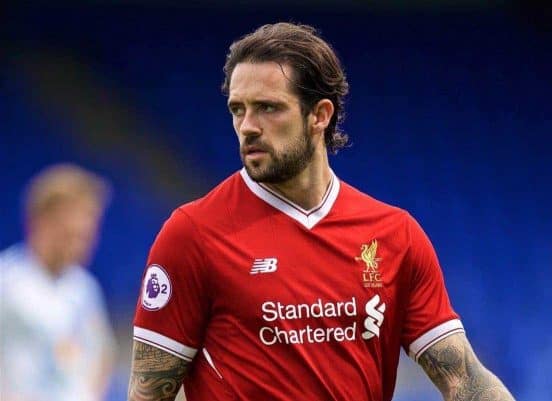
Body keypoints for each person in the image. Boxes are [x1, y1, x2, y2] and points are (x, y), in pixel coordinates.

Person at [128, 23, 515, 401]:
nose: (247, 127)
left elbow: (465, 380)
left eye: (267, 108)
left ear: (320, 115)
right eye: (237, 109)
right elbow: (147, 393)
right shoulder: (193, 234)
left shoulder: (394, 235)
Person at [0, 163, 116, 401]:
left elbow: (102, 354)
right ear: (43, 222)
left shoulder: (85, 288)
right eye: (72, 234)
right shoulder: (7, 283)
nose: (85, 243)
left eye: (88, 234)